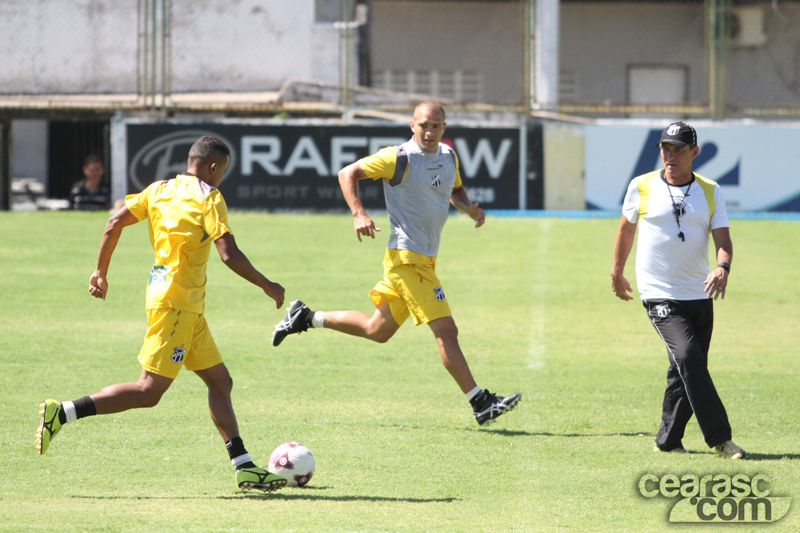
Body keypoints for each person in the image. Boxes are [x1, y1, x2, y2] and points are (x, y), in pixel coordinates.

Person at [37, 136, 289, 492]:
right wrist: (267, 284)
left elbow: (113, 223)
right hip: (178, 306)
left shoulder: (158, 190)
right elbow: (228, 253)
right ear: (214, 167)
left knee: (220, 382)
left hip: (180, 305)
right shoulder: (210, 197)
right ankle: (62, 412)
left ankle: (244, 466)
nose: (222, 178)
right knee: (148, 391)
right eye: (223, 171)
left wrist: (100, 272)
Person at [271, 101, 521, 427]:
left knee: (378, 330)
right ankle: (480, 402)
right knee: (447, 330)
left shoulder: (448, 156)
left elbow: (455, 190)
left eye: (436, 126)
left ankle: (305, 317)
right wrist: (359, 213)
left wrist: (469, 209)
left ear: (444, 127)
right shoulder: (398, 158)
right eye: (423, 125)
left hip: (425, 261)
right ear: (412, 125)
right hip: (407, 260)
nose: (429, 132)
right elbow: (347, 173)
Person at [610, 121, 745, 459]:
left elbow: (723, 240)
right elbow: (626, 231)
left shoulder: (711, 191)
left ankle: (667, 441)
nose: (670, 156)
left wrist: (722, 267)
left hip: (700, 293)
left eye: (678, 149)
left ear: (694, 153)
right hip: (659, 292)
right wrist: (616, 271)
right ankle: (720, 439)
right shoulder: (640, 186)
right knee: (688, 358)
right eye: (665, 149)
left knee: (684, 368)